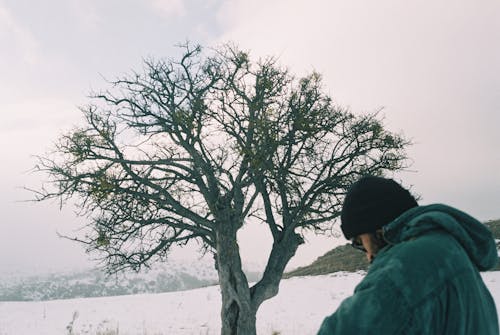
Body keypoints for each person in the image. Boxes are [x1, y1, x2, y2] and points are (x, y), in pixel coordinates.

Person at [317, 175, 499, 334]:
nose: (368, 256)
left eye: (359, 242)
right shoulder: (452, 253)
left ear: (376, 229)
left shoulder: (406, 268)